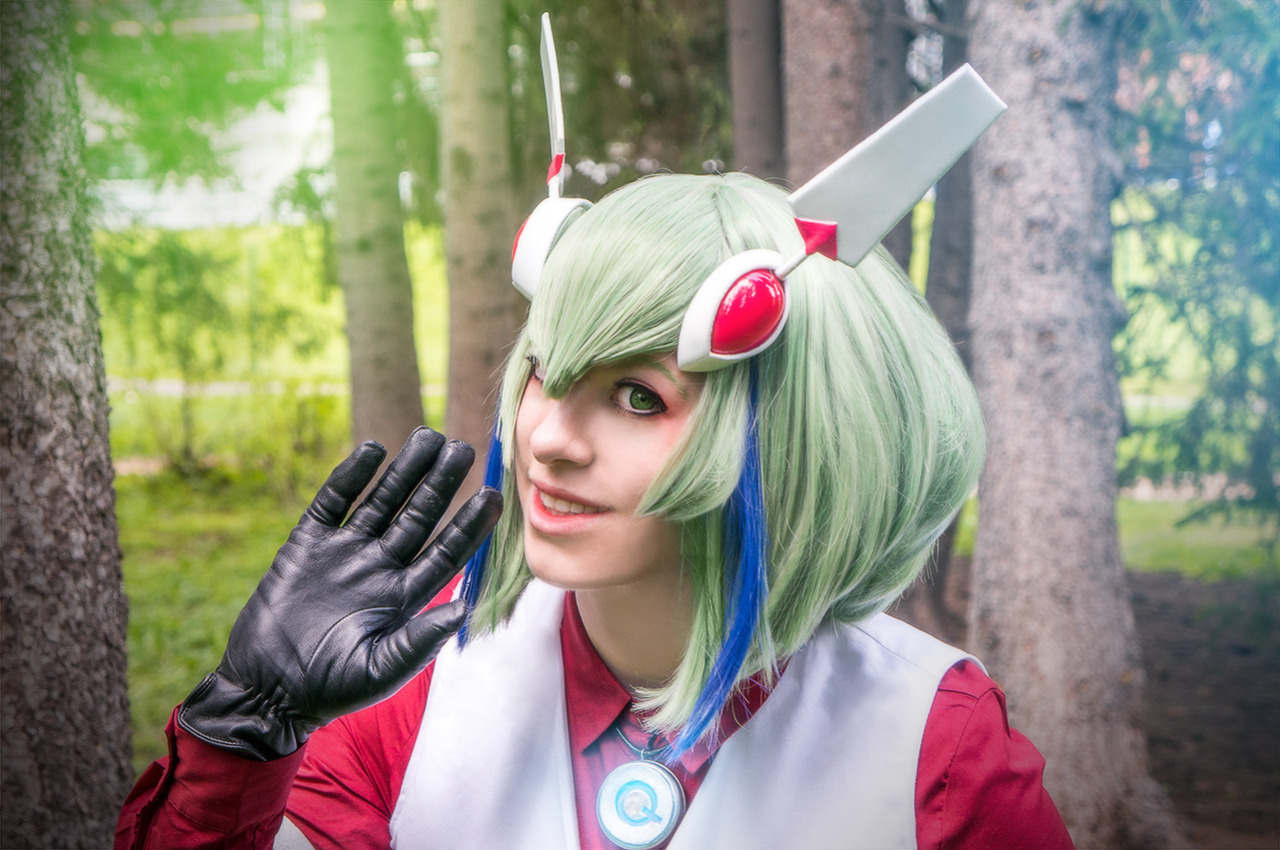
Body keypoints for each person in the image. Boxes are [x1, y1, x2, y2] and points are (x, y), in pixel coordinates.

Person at [117, 22, 1072, 845]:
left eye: (640, 398)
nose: (549, 440)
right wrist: (248, 728)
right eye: (545, 372)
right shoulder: (412, 675)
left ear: (795, 439)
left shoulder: (933, 743)